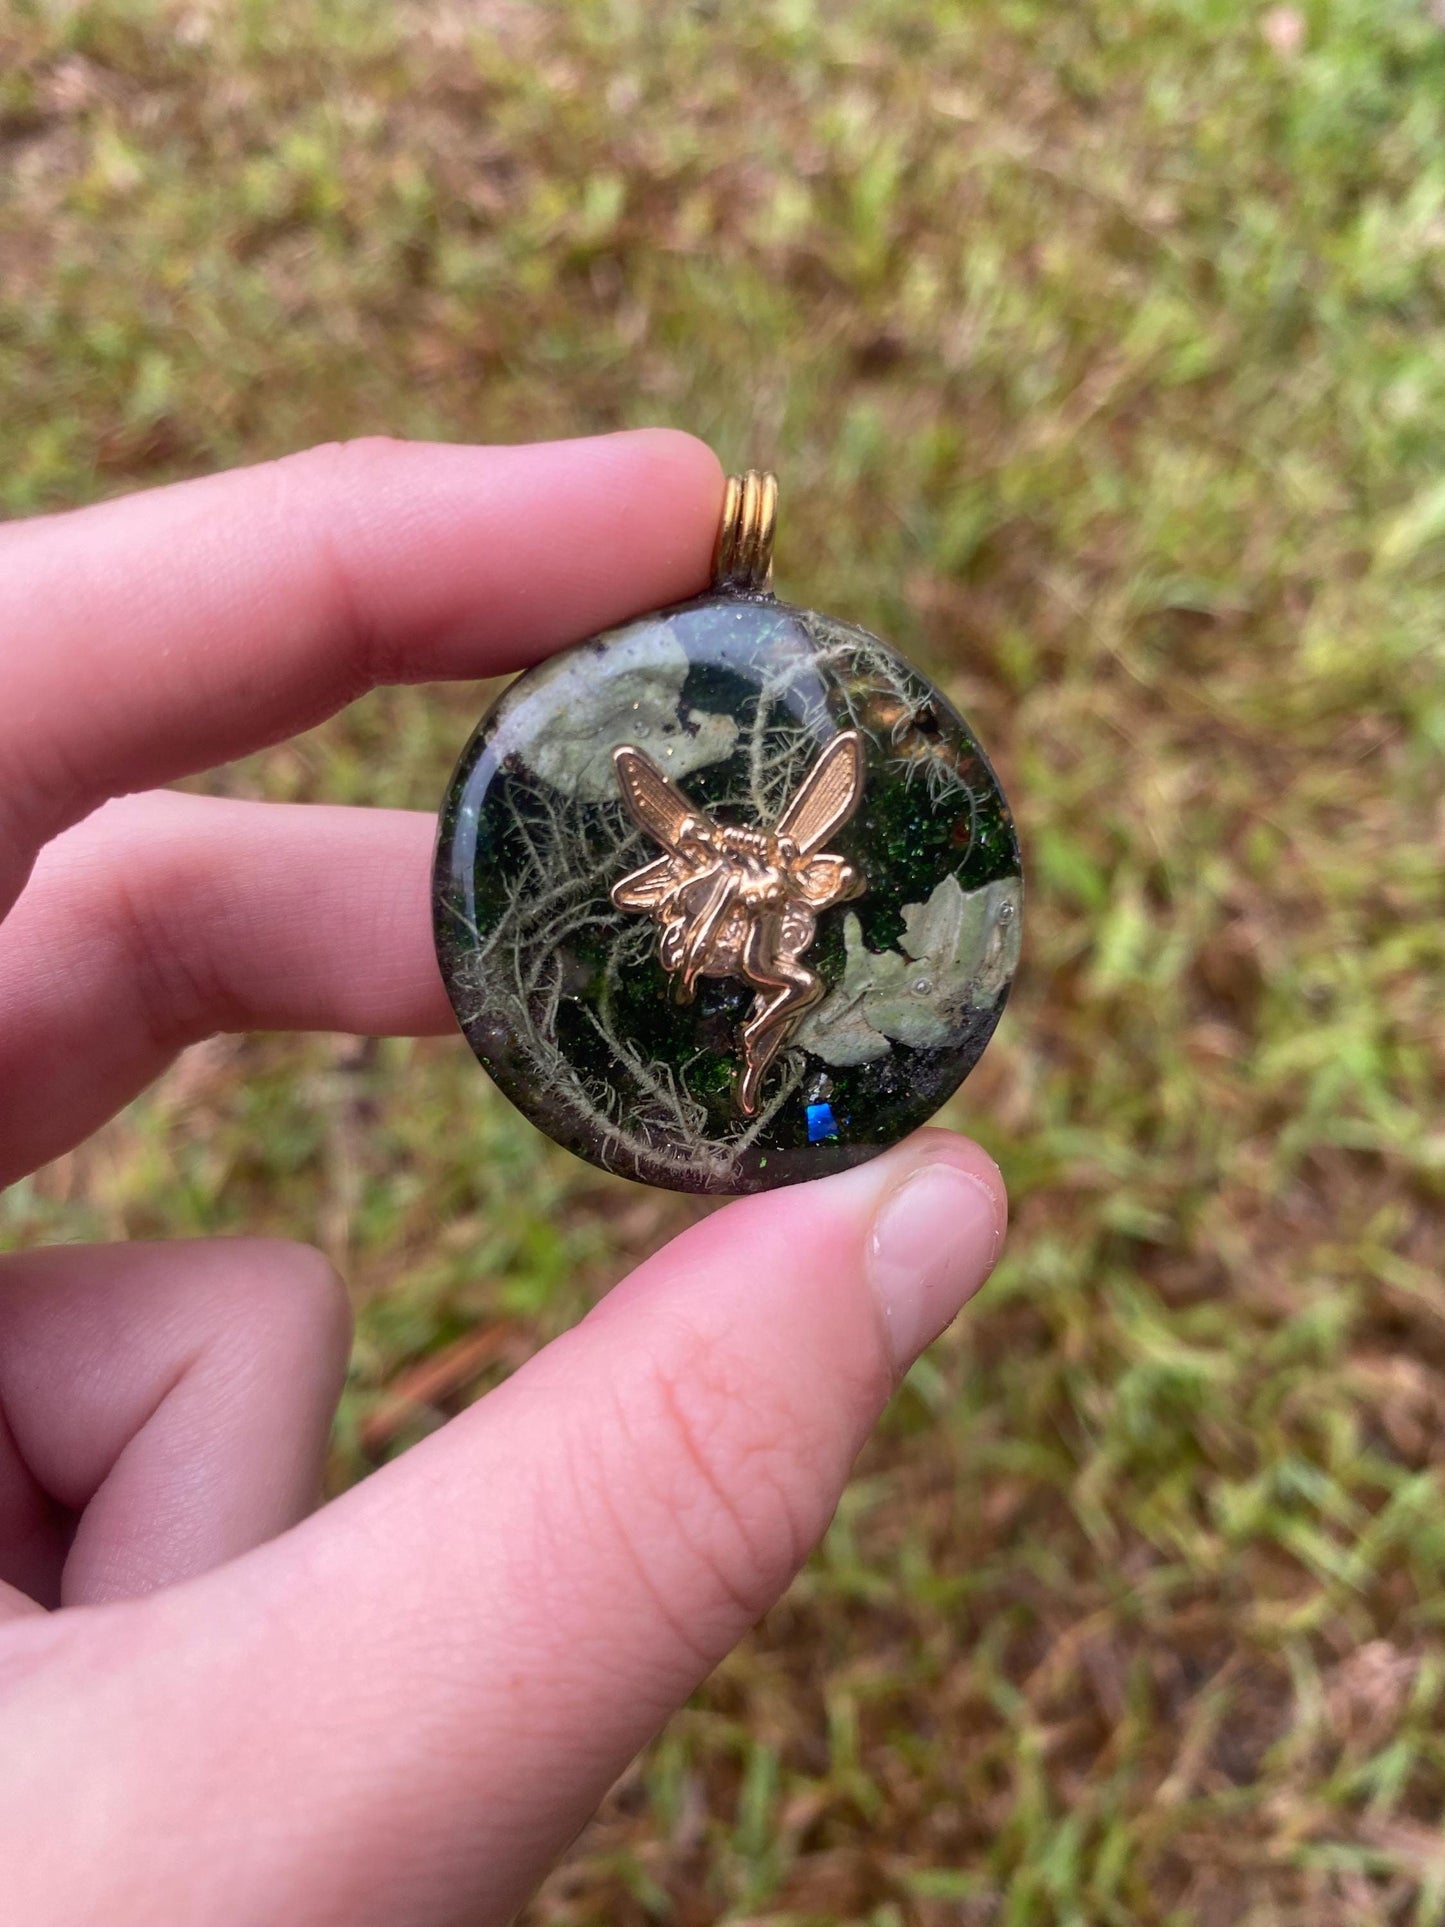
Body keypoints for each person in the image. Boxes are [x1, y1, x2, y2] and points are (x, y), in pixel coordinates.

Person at [0, 430, 1006, 1923]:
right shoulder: (688, 843)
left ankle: (754, 1051)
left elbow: (791, 832)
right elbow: (672, 824)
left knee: (771, 992)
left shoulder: (796, 846)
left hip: (760, 966)